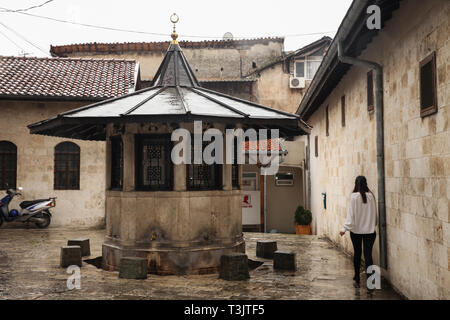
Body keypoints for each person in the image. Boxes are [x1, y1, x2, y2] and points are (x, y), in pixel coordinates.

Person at [339, 176, 377, 289]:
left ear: (356, 184)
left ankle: (357, 277)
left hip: (356, 232)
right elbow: (375, 216)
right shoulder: (371, 197)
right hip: (370, 232)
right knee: (368, 255)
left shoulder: (354, 197)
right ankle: (370, 282)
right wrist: (371, 225)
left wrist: (344, 229)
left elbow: (350, 216)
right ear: (366, 184)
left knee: (357, 253)